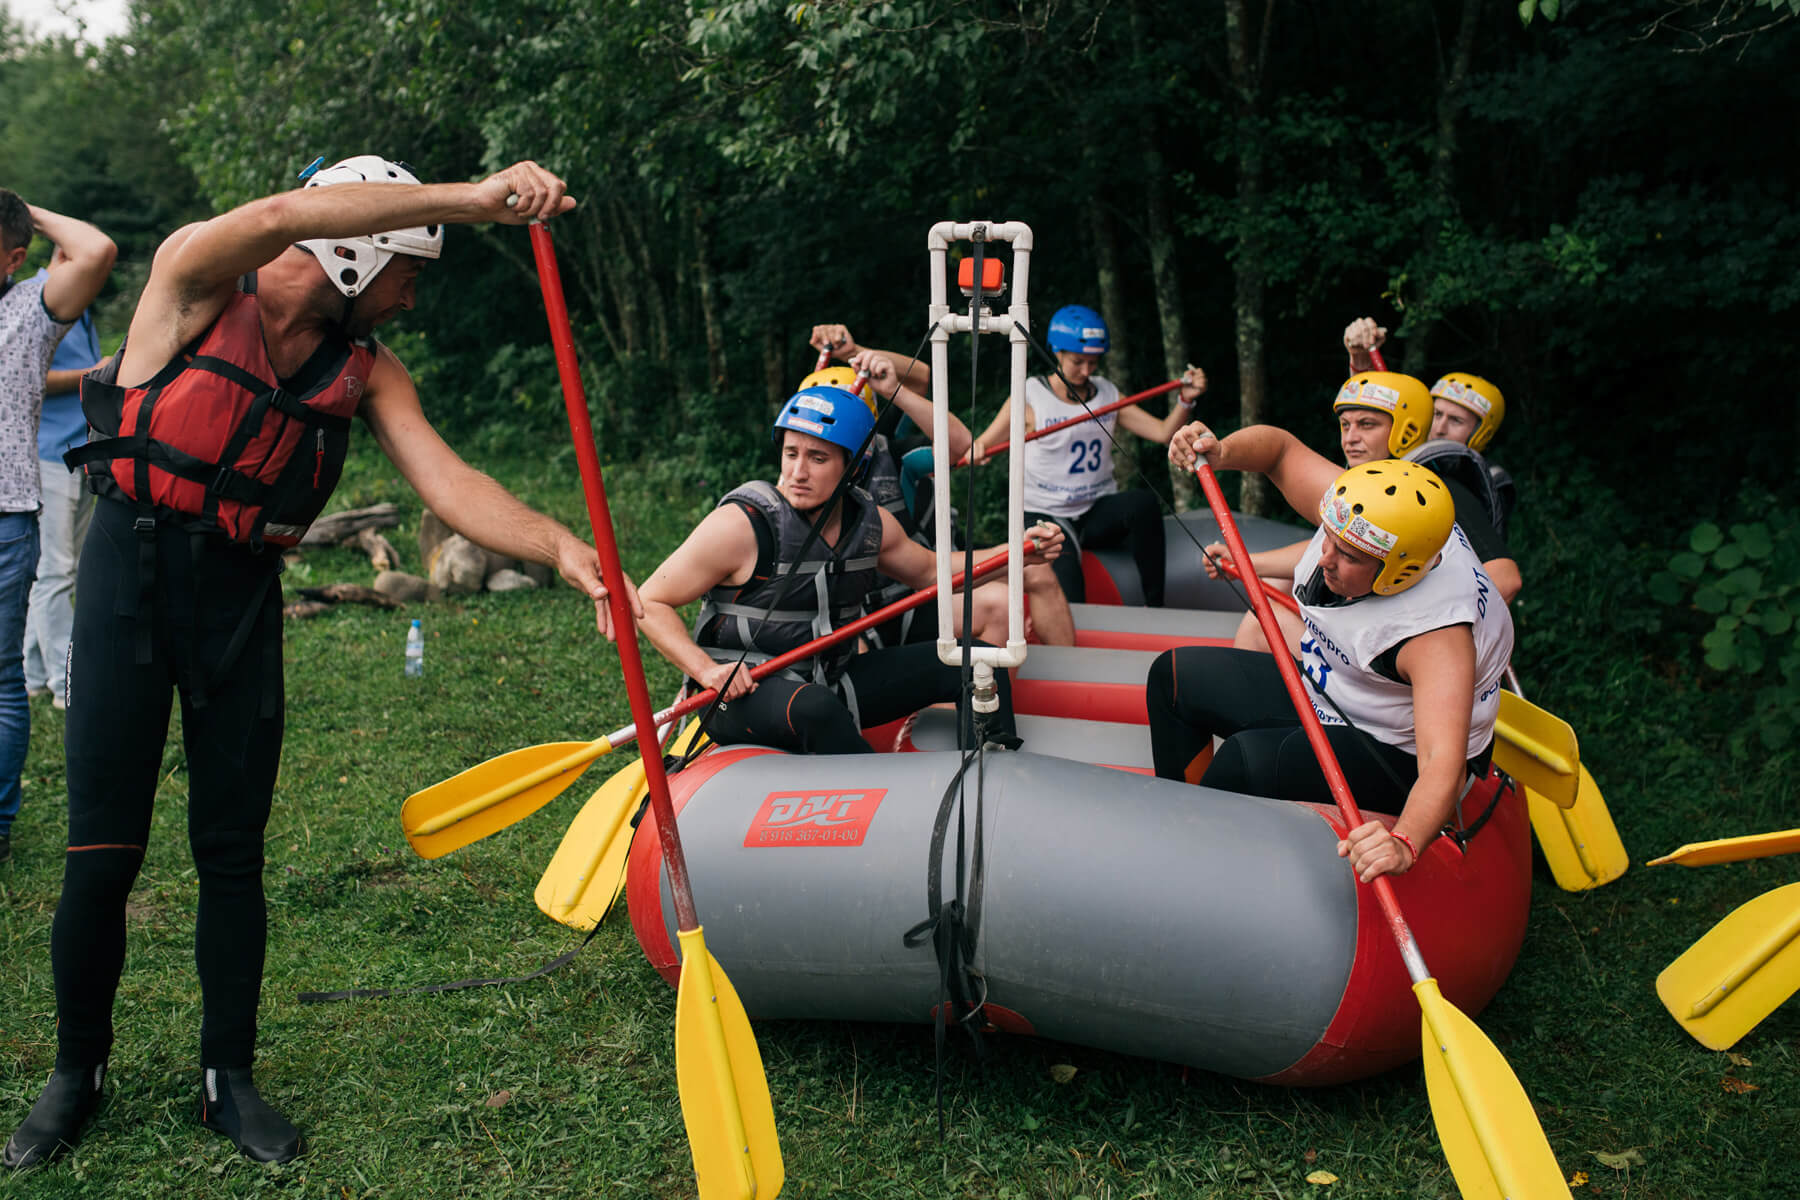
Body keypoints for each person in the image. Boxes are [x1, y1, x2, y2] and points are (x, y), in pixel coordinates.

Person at [3, 155, 639, 1171]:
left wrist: (561, 547)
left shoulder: (368, 368)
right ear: (359, 253)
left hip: (240, 597)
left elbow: (448, 477)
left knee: (232, 848)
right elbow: (281, 210)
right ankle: (75, 1074)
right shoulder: (198, 281)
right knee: (101, 849)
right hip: (130, 576)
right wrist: (473, 203)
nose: (413, 297)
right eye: (409, 272)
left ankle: (229, 1079)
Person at [1154, 421, 1514, 883]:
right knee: (1176, 677)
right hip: (1333, 693)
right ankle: (1172, 833)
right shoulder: (1367, 513)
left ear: (1397, 573)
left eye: (1348, 556)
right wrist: (1220, 450)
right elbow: (1281, 453)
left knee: (1248, 761)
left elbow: (1441, 767)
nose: (1325, 557)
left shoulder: (1436, 638)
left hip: (1391, 750)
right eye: (1328, 537)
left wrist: (1404, 842)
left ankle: (1195, 877)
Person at [638, 382, 1063, 756]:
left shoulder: (870, 522)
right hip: (741, 693)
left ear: (853, 466)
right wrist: (707, 670)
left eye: (818, 458)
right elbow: (649, 600)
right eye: (791, 454)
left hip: (832, 678)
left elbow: (933, 572)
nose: (797, 473)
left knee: (975, 663)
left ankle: (992, 772)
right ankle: (886, 805)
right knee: (815, 708)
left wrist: (1017, 552)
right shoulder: (741, 525)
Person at [1207, 369, 1520, 656]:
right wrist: (1247, 563)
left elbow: (1505, 580)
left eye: (1366, 425)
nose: (1350, 438)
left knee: (1264, 620)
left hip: (1394, 657)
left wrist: (1437, 648)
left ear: (1406, 432)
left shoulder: (1439, 491)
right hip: (1366, 642)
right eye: (1345, 425)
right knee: (1275, 592)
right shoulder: (1371, 484)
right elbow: (1335, 549)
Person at [807, 323, 1075, 646]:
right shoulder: (802, 488)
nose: (807, 462)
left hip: (927, 576)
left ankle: (1068, 679)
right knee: (998, 600)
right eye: (801, 451)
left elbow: (955, 432)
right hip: (879, 607)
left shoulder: (892, 452)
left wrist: (857, 355)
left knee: (1033, 575)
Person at [0, 191, 116, 871]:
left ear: (15, 258)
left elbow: (97, 249)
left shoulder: (25, 312)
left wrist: (25, 208)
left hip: (6, 515)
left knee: (2, 681)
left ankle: (1, 824)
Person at [968, 305, 1206, 607]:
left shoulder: (1106, 393)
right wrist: (976, 450)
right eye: (1077, 362)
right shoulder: (1030, 394)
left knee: (1142, 503)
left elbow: (1161, 433)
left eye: (1093, 363)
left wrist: (1186, 400)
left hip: (1095, 509)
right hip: (1048, 512)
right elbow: (984, 443)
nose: (1085, 371)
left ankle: (1155, 607)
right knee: (1068, 582)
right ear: (1057, 353)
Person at [1344, 317, 1516, 534]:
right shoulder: (1416, 454)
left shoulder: (1489, 481)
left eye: (1456, 420)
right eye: (1436, 414)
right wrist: (1360, 361)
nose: (1440, 427)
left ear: (1480, 434)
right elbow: (1375, 415)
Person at [25, 253, 105, 712]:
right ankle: (64, 682)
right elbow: (29, 376)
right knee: (55, 572)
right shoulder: (39, 301)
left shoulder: (78, 303)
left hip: (80, 451)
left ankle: (33, 673)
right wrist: (95, 374)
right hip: (46, 453)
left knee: (63, 569)